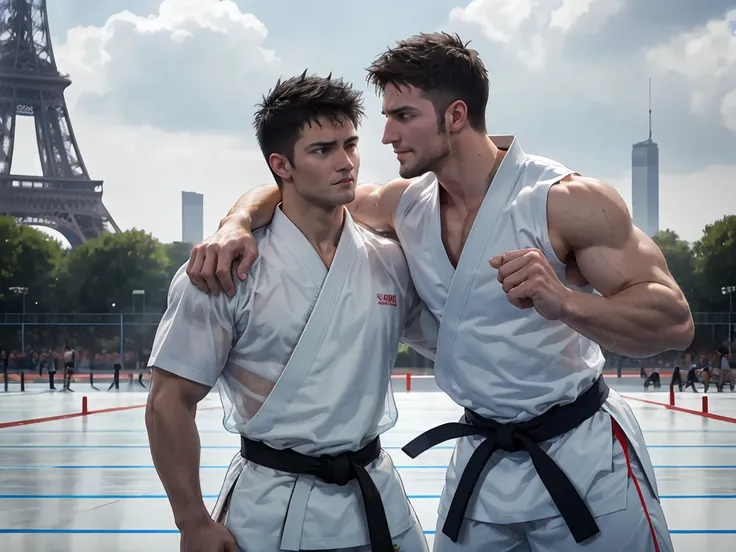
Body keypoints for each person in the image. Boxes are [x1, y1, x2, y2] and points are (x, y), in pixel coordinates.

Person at [185, 33, 695, 552]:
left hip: (582, 454)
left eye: (403, 116)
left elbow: (674, 323)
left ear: (454, 116)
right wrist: (237, 221)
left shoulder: (564, 201)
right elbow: (302, 187)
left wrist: (567, 302)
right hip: (482, 461)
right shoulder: (405, 207)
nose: (385, 136)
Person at [145, 72, 436, 552]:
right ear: (282, 165)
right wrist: (192, 520)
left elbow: (455, 342)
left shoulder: (391, 259)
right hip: (269, 510)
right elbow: (168, 401)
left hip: (377, 502)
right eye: (323, 150)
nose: (346, 163)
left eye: (351, 144)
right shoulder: (225, 268)